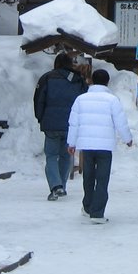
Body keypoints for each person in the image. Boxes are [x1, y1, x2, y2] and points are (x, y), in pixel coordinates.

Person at [66, 68, 133, 223]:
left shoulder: (80, 99)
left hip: (87, 146)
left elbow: (73, 123)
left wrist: (72, 143)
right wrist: (127, 139)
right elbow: (120, 122)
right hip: (105, 146)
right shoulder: (112, 100)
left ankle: (88, 207)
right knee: (102, 179)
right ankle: (97, 213)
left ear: (91, 81)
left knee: (88, 177)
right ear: (107, 82)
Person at [33, 52, 86, 201]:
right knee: (66, 155)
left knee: (51, 155)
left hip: (50, 124)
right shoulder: (78, 80)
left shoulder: (47, 78)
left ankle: (56, 187)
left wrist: (40, 117)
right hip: (70, 125)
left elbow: (38, 100)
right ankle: (62, 185)